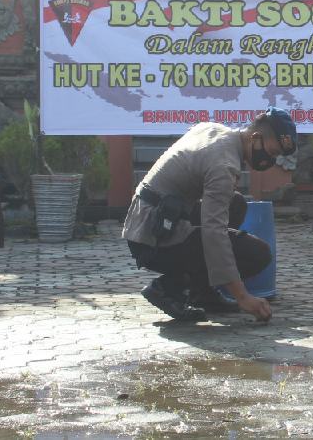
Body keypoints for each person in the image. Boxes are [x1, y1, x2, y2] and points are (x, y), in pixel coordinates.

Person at [123, 108, 297, 323]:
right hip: (152, 235)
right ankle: (168, 288)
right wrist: (242, 297)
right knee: (257, 253)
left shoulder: (214, 129)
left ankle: (203, 293)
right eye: (271, 153)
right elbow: (214, 233)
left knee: (235, 203)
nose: (270, 160)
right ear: (256, 139)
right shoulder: (224, 165)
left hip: (151, 218)